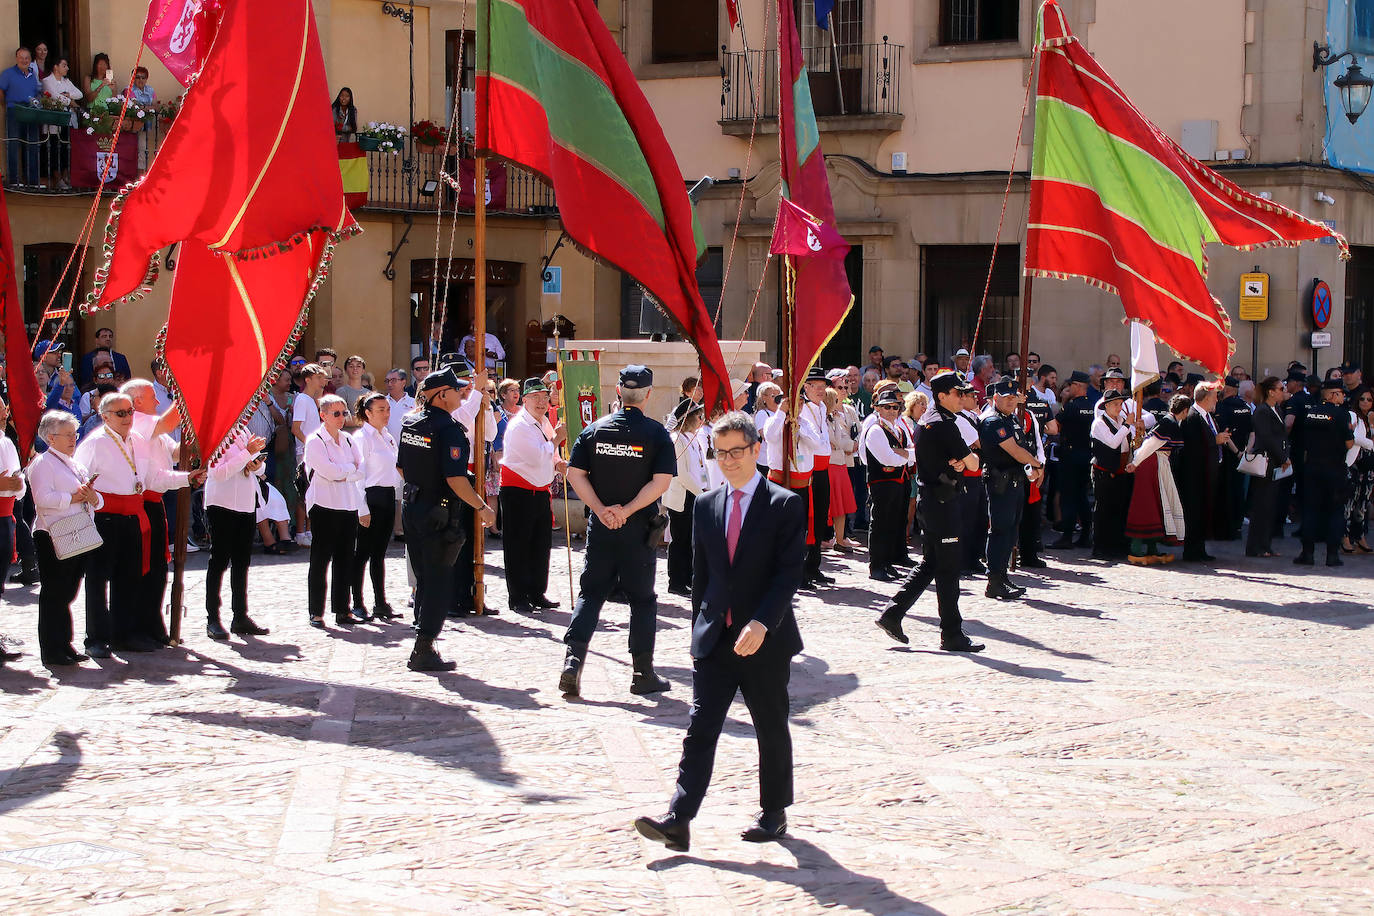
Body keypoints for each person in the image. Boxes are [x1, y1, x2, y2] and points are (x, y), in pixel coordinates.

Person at [633, 412, 806, 853]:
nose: (727, 460)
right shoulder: (707, 504)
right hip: (716, 639)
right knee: (700, 727)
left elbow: (788, 575)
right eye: (720, 451)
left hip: (764, 640)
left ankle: (773, 811)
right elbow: (702, 577)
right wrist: (698, 635)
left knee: (770, 726)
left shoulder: (784, 503)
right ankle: (679, 818)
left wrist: (763, 622)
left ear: (754, 450)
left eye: (736, 451)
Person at [559, 365, 676, 697]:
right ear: (649, 394)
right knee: (642, 600)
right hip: (637, 529)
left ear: (617, 391)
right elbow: (661, 483)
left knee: (590, 594)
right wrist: (626, 511)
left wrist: (601, 510)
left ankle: (572, 661)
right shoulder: (655, 434)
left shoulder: (595, 430)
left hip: (602, 528)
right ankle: (642, 673)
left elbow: (574, 474)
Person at [76, 393, 199, 656]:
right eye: (120, 413)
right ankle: (95, 638)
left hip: (133, 514)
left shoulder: (139, 440)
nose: (127, 418)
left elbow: (154, 477)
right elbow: (79, 479)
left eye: (130, 412)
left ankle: (124, 634)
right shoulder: (95, 442)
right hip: (103, 517)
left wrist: (187, 478)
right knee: (98, 579)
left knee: (129, 578)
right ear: (105, 416)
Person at [874, 371, 984, 652]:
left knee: (931, 564)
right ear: (943, 395)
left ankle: (892, 614)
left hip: (934, 501)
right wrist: (964, 461)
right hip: (942, 503)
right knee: (947, 570)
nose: (963, 398)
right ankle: (952, 634)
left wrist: (961, 462)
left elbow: (961, 461)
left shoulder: (934, 420)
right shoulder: (942, 424)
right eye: (958, 393)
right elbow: (973, 463)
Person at [398, 368, 495, 671]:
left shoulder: (410, 423)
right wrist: (481, 506)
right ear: (441, 395)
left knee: (425, 578)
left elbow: (401, 468)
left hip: (413, 505)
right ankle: (424, 646)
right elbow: (456, 479)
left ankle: (421, 639)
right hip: (439, 512)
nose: (461, 394)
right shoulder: (448, 429)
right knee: (440, 581)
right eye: (456, 390)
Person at [26, 411, 100, 667]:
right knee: (54, 593)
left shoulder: (75, 463)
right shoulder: (43, 463)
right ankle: (51, 648)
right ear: (50, 437)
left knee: (68, 592)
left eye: (74, 434)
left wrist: (91, 497)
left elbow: (96, 499)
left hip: (77, 533)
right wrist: (73, 498)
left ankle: (64, 644)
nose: (73, 439)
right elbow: (42, 500)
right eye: (68, 435)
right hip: (53, 534)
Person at [499, 377, 566, 613]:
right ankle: (517, 596)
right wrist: (556, 439)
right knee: (518, 545)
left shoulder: (543, 422)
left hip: (539, 489)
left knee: (540, 544)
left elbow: (550, 453)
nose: (541, 402)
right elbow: (538, 455)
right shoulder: (519, 426)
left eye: (545, 398)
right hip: (518, 490)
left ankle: (537, 592)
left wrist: (559, 463)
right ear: (525, 399)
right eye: (536, 398)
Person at [302, 394, 366, 629]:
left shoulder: (348, 439)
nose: (341, 418)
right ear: (323, 415)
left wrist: (344, 472)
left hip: (348, 504)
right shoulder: (315, 440)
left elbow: (362, 469)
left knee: (345, 559)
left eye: (344, 413)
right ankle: (316, 612)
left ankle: (342, 609)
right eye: (336, 414)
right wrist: (347, 470)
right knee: (320, 559)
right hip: (324, 505)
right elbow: (328, 471)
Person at [203, 431, 272, 640]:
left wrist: (256, 464)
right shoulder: (217, 433)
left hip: (244, 503)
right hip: (221, 503)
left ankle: (240, 616)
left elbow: (260, 467)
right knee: (219, 561)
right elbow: (218, 473)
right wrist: (246, 454)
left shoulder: (243, 432)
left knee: (242, 562)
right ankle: (213, 619)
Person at [979, 378, 1041, 597]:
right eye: (1006, 398)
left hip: (1015, 479)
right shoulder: (992, 421)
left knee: (1010, 532)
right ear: (995, 398)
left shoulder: (1011, 419)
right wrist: (1037, 464)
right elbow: (1013, 450)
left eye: (1014, 397)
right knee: (999, 531)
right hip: (999, 481)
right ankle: (994, 580)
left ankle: (1002, 577)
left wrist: (1031, 467)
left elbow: (1022, 447)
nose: (1010, 401)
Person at [1292, 380, 1355, 567]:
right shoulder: (1341, 415)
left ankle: (1307, 553)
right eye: (1341, 393)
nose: (1343, 397)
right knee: (1335, 511)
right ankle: (1332, 555)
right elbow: (1349, 444)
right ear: (1332, 395)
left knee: (1310, 510)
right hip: (1334, 468)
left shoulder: (1311, 412)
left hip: (1312, 466)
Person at [351, 392, 401, 620]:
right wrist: (362, 508)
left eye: (387, 409)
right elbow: (358, 476)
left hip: (387, 495)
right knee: (361, 552)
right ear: (368, 413)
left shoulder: (387, 436)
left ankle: (380, 602)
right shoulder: (362, 438)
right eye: (380, 409)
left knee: (380, 553)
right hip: (370, 496)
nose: (386, 413)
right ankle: (357, 602)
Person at [1124, 395, 1190, 564]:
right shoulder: (1168, 423)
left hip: (1157, 464)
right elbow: (1150, 444)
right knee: (1147, 505)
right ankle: (1136, 548)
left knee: (1158, 504)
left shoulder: (1168, 421)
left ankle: (1151, 547)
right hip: (1152, 464)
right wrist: (1135, 463)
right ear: (1185, 410)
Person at [1175, 383, 1230, 562]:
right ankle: (1191, 550)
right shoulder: (1192, 417)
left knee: (1203, 511)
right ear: (1206, 397)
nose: (1217, 399)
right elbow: (1191, 446)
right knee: (1194, 512)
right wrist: (1216, 440)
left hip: (1207, 473)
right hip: (1194, 475)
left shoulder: (1207, 416)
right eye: (1215, 396)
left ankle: (1199, 548)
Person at [864, 388, 912, 581]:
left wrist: (903, 454)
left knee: (893, 523)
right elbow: (888, 458)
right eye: (887, 407)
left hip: (899, 481)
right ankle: (876, 566)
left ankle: (887, 562)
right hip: (882, 482)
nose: (892, 410)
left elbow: (909, 453)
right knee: (880, 523)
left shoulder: (899, 429)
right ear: (877, 408)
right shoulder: (875, 430)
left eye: (895, 407)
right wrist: (904, 455)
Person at [663, 397, 707, 597]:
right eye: (698, 415)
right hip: (683, 496)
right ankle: (676, 582)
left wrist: (705, 488)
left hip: (695, 493)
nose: (701, 419)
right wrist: (700, 493)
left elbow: (699, 468)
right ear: (687, 418)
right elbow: (681, 473)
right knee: (680, 539)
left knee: (690, 539)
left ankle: (688, 578)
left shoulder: (693, 438)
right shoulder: (677, 439)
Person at [797, 367, 835, 587]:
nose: (822, 391)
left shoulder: (821, 407)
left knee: (820, 518)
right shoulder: (803, 408)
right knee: (807, 520)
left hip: (823, 468)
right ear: (807, 387)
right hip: (809, 469)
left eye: (823, 387)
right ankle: (802, 570)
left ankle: (814, 566)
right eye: (817, 387)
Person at [1245, 377, 1289, 558]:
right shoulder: (1263, 411)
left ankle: (1266, 544)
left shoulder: (1276, 409)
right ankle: (1255, 546)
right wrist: (1282, 457)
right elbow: (1267, 438)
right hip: (1266, 462)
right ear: (1271, 391)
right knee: (1261, 505)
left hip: (1276, 462)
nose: (1283, 391)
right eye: (1280, 388)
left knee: (1270, 505)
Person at [1049, 370, 1093, 549]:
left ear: (1077, 386)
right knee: (1082, 496)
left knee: (1068, 496)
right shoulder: (1091, 405)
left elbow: (1055, 426)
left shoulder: (1071, 406)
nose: (1068, 388)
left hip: (1070, 455)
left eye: (1070, 386)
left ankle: (1066, 536)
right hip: (1086, 454)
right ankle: (1085, 535)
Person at [1089, 389, 1134, 560]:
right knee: (1103, 510)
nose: (1118, 407)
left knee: (1119, 509)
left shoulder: (1122, 421)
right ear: (1106, 406)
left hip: (1121, 471)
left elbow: (1126, 445)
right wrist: (1127, 426)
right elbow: (1113, 443)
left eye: (1120, 404)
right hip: (1104, 472)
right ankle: (1100, 546)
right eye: (1115, 404)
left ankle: (1117, 545)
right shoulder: (1099, 423)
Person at [291, 363, 328, 546]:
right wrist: (311, 446)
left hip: (312, 453)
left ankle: (309, 530)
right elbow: (295, 428)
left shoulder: (311, 400)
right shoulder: (302, 400)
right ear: (308, 379)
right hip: (304, 453)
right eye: (319, 377)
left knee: (312, 491)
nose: (323, 381)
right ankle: (300, 532)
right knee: (303, 491)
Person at [0, 400, 24, 665]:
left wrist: (17, 485)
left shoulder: (6, 441)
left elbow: (20, 486)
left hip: (6, 515)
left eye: (5, 410)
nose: (5, 413)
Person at [824, 381, 860, 550]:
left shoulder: (834, 418)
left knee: (841, 505)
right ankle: (824, 538)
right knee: (830, 505)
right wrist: (844, 445)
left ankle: (840, 539)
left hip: (840, 464)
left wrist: (849, 445)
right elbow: (836, 441)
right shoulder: (822, 419)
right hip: (830, 464)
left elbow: (840, 439)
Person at [39, 56, 81, 191]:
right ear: (56, 67)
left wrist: (68, 94)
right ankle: (56, 177)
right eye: (64, 65)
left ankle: (64, 176)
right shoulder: (46, 81)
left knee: (64, 149)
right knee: (53, 149)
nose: (67, 68)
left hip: (66, 120)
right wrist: (71, 102)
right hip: (53, 121)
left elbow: (79, 94)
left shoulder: (66, 81)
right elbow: (54, 96)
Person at [1, 47, 40, 186]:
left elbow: (37, 92)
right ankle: (14, 180)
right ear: (16, 58)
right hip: (15, 111)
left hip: (31, 112)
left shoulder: (32, 74)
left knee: (32, 144)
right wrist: (6, 104)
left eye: (27, 58)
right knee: (13, 144)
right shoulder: (8, 73)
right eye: (21, 57)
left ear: (30, 60)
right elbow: (1, 90)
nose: (24, 60)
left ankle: (32, 180)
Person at [1344, 386, 1374, 554]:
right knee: (1349, 502)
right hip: (1354, 465)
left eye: (1369, 399)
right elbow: (1352, 437)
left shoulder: (1370, 418)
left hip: (1369, 468)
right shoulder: (1353, 415)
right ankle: (1345, 537)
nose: (1365, 402)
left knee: (1363, 504)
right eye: (1362, 399)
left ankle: (1360, 537)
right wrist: (1370, 443)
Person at [335, 355, 370, 427]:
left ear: (363, 370)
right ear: (346, 370)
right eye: (351, 366)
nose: (355, 369)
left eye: (358, 366)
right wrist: (367, 421)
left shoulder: (369, 393)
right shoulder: (342, 392)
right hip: (349, 436)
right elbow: (344, 419)